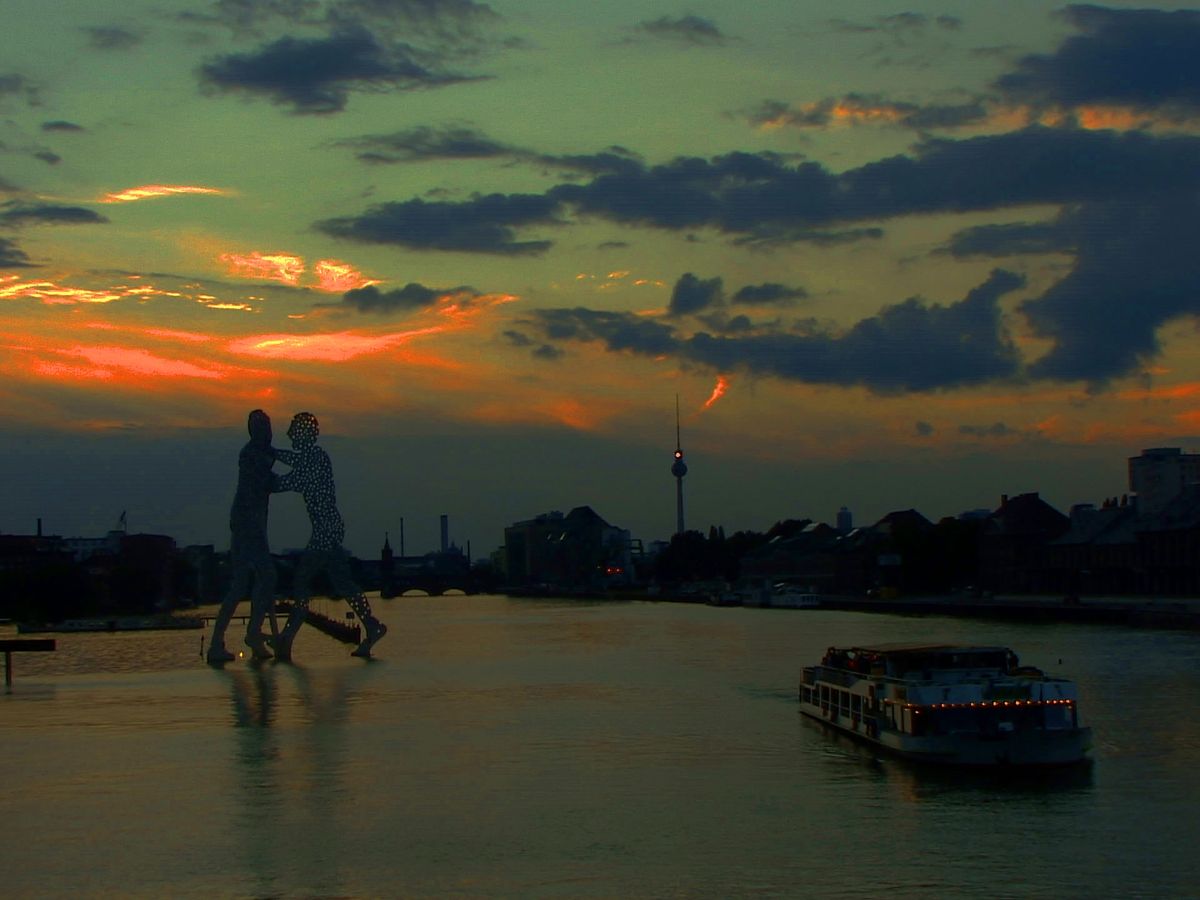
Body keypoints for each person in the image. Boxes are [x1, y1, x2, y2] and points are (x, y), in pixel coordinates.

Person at [271, 412, 387, 660]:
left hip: (326, 529)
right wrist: (272, 455)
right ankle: (371, 625)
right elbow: (292, 466)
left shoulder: (315, 459)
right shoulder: (313, 459)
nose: (290, 434)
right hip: (328, 528)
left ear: (303, 434)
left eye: (293, 429)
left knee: (302, 581)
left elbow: (287, 480)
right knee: (342, 583)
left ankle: (286, 640)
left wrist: (267, 456)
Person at [207, 409, 278, 664]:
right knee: (261, 578)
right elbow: (266, 483)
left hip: (252, 522)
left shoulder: (265, 453)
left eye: (268, 427)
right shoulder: (250, 455)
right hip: (247, 523)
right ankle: (250, 634)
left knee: (250, 581)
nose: (268, 433)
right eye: (263, 428)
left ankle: (237, 638)